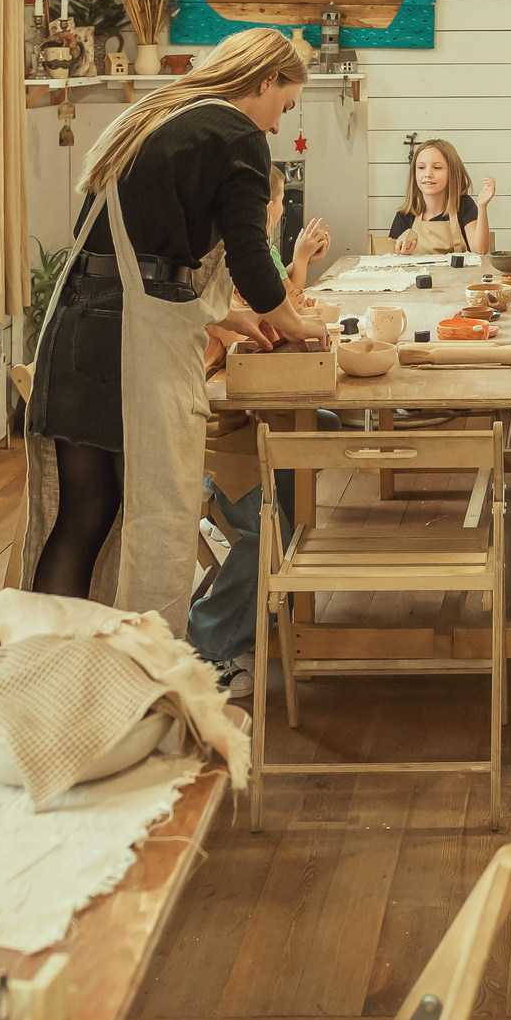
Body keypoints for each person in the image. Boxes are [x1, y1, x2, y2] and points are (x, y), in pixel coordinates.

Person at [21, 28, 326, 633]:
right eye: (284, 105)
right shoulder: (236, 135)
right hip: (130, 344)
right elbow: (251, 260)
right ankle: (140, 665)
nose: (276, 124)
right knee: (154, 515)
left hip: (80, 322)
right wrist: (295, 323)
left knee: (85, 513)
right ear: (265, 79)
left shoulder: (157, 114)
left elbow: (135, 247)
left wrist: (227, 315)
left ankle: (45, 663)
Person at [187, 165, 330, 695]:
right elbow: (225, 350)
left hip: (236, 420)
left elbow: (256, 317)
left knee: (316, 430)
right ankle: (210, 644)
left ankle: (274, 595)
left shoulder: (228, 260)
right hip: (206, 434)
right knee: (268, 527)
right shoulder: (206, 268)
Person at [390, 139, 494, 253]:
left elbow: (480, 251)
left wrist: (482, 206)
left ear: (452, 172)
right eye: (421, 167)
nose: (428, 174)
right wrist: (401, 254)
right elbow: (393, 257)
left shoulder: (464, 205)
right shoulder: (405, 216)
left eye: (437, 168)